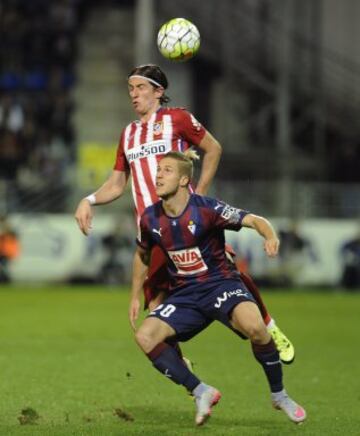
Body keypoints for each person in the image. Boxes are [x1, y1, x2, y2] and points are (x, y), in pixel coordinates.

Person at [74, 64, 294, 365]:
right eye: (130, 88)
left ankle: (269, 326)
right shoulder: (128, 134)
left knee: (228, 270)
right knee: (156, 308)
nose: (133, 94)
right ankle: (190, 379)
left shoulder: (176, 118)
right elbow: (116, 184)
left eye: (140, 87)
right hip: (155, 232)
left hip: (189, 223)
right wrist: (88, 200)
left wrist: (199, 196)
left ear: (158, 91)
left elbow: (213, 148)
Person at [130, 151, 306, 426]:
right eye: (158, 170)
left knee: (257, 330)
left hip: (220, 284)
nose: (159, 175)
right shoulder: (150, 218)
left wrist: (270, 236)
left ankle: (279, 396)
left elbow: (254, 219)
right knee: (145, 336)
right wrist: (134, 296)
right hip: (185, 295)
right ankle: (201, 391)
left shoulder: (207, 209)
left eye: (167, 170)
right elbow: (142, 254)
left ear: (184, 179)